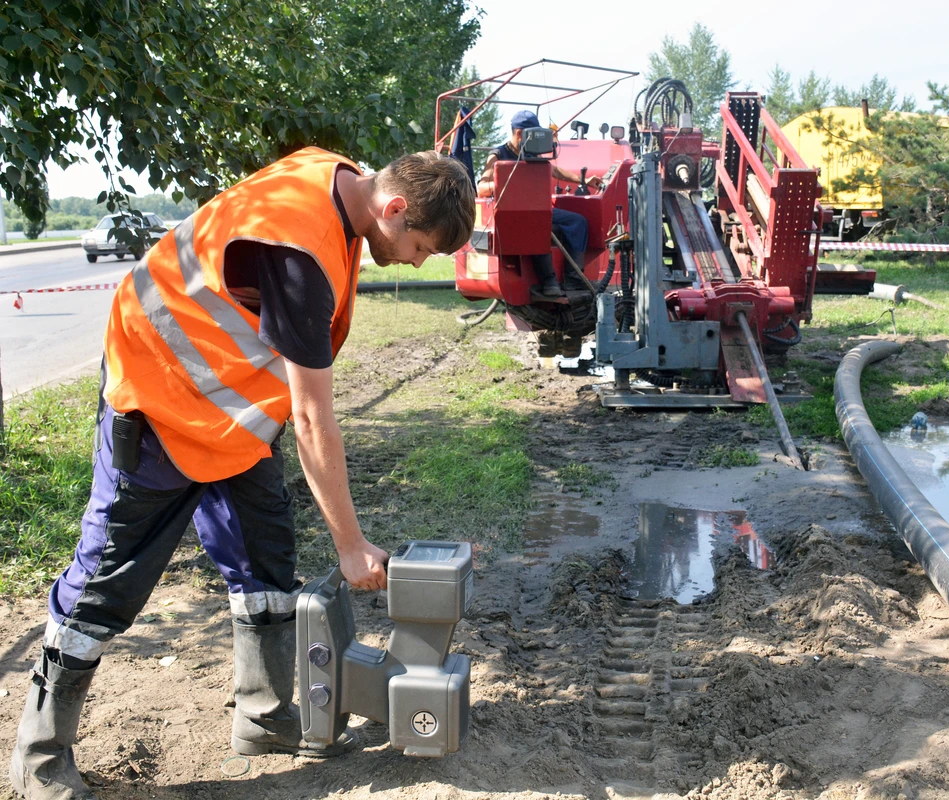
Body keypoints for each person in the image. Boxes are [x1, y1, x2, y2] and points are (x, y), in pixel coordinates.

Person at [8, 148, 476, 800]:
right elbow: (314, 421)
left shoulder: (335, 176)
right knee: (105, 581)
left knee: (264, 558)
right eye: (422, 246)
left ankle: (261, 717)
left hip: (232, 417)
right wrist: (350, 547)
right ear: (394, 208)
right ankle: (40, 757)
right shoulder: (299, 253)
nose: (418, 261)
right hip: (159, 396)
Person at [477, 110, 602, 297]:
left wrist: (584, 181)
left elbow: (555, 172)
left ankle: (574, 279)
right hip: (511, 215)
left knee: (578, 222)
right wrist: (504, 182)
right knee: (536, 223)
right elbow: (481, 188)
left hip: (538, 211)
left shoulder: (532, 154)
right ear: (520, 134)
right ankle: (548, 280)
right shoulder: (498, 155)